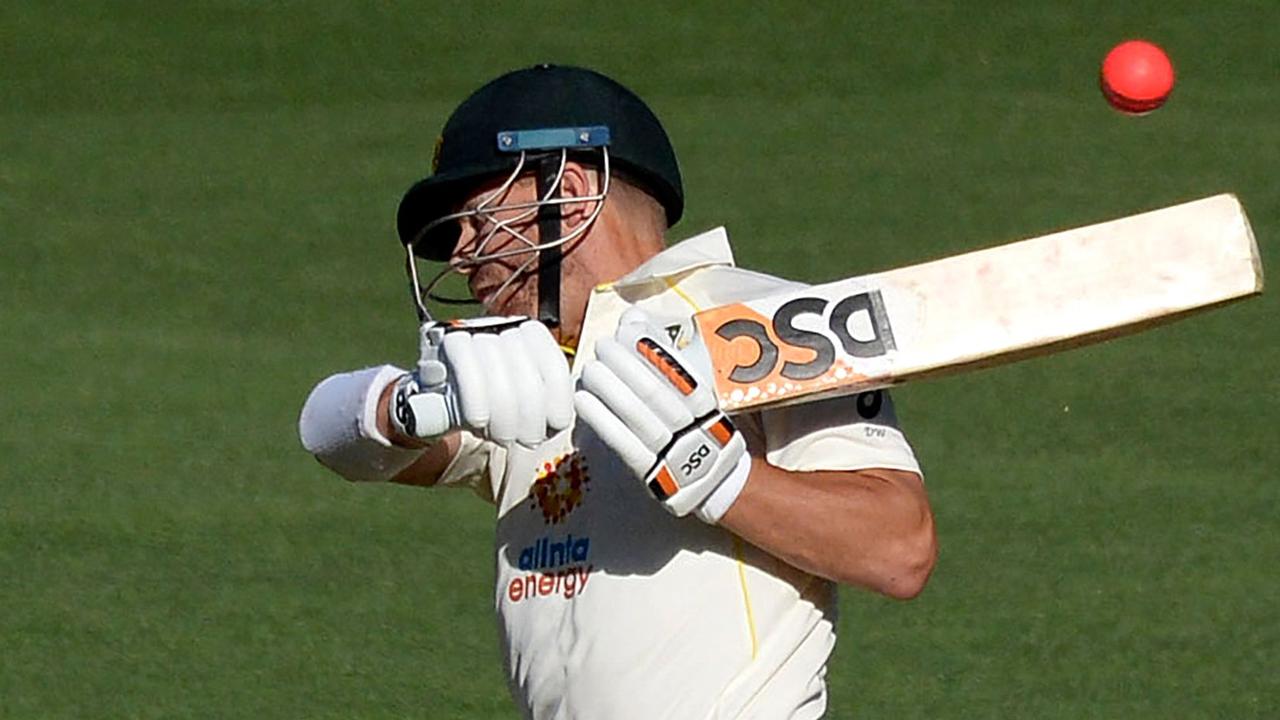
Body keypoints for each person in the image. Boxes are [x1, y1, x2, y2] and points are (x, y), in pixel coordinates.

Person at [299, 64, 936, 719]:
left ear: (570, 193)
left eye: (476, 219)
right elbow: (332, 438)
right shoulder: (526, 365)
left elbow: (898, 549)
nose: (460, 255)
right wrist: (405, 408)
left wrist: (715, 472)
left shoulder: (763, 324)